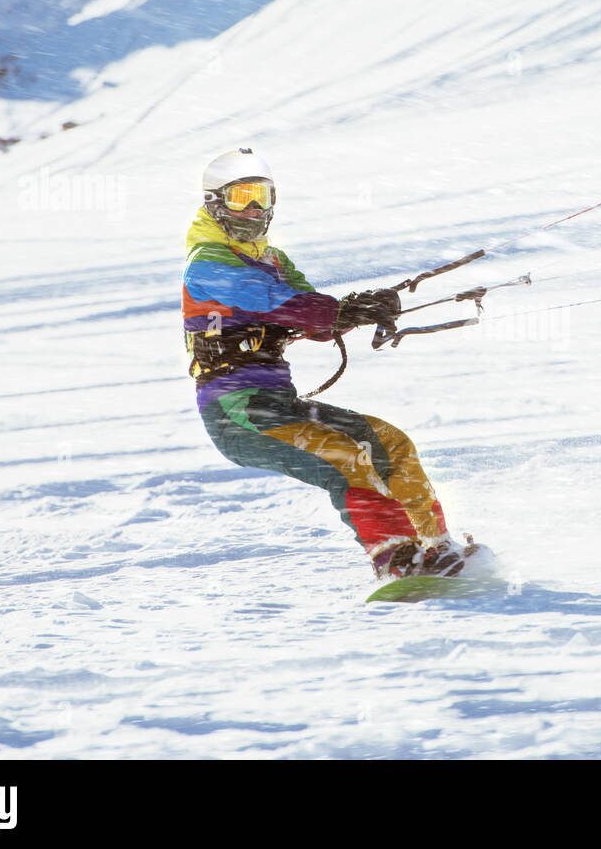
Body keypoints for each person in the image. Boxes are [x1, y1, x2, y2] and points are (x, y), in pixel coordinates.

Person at [182, 147, 475, 579]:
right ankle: (396, 557)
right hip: (236, 411)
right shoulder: (207, 263)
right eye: (242, 196)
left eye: (262, 195)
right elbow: (275, 301)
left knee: (388, 441)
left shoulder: (273, 260)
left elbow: (313, 314)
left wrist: (362, 308)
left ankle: (436, 547)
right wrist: (332, 313)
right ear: (215, 203)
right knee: (345, 458)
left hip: (279, 403)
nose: (255, 208)